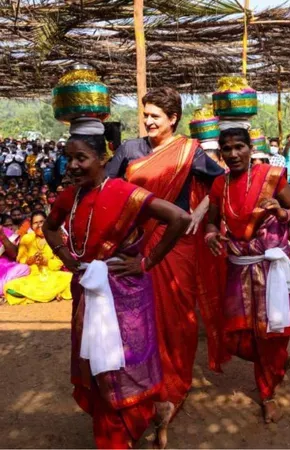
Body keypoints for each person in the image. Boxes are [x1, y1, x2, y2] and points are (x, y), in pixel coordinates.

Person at [43, 119, 192, 449]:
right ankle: (129, 426)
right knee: (97, 369)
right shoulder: (69, 197)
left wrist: (146, 262)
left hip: (126, 298)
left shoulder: (128, 194)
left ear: (102, 156)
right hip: (87, 293)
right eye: (69, 158)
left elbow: (179, 218)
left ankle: (140, 419)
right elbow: (49, 228)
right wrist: (65, 256)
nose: (73, 165)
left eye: (81, 157)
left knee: (124, 368)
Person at [106, 87, 227, 411]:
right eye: (145, 115)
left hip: (177, 244)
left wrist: (201, 211)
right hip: (135, 242)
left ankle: (172, 386)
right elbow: (104, 187)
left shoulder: (191, 151)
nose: (148, 121)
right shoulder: (129, 149)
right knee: (136, 315)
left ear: (173, 119)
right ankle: (140, 381)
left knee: (178, 317)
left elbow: (222, 182)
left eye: (155, 116)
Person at [205, 126, 290, 423]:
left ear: (251, 148)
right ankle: (277, 363)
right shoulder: (218, 186)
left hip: (270, 268)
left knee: (270, 334)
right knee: (236, 337)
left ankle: (267, 393)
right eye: (227, 149)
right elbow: (211, 222)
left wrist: (282, 212)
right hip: (238, 268)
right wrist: (210, 235)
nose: (233, 154)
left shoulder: (272, 177)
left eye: (239, 147)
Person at [4, 211, 72, 305]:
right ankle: (51, 294)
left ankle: (35, 295)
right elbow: (20, 260)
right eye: (35, 223)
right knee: (9, 287)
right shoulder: (26, 239)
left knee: (70, 279)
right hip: (33, 276)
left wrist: (46, 261)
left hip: (52, 275)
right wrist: (30, 260)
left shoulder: (55, 238)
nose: (39, 225)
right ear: (31, 226)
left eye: (41, 222)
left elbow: (60, 262)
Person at [0, 224, 30, 302]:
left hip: (7, 271)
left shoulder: (5, 232)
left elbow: (14, 254)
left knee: (24, 268)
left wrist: (3, 236)